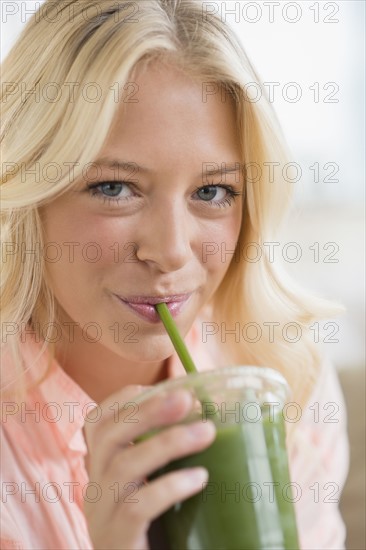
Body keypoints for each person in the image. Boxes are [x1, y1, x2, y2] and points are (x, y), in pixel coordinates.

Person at [0, 1, 349, 549]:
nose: (169, 251)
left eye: (212, 192)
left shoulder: (283, 382)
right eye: (114, 188)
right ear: (27, 196)